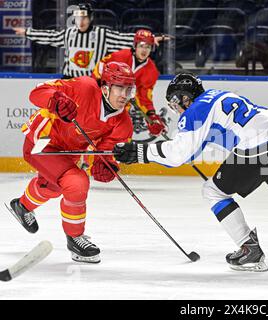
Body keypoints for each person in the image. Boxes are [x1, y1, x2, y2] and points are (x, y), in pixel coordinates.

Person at [112, 73, 268, 272]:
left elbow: (179, 155)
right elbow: (200, 145)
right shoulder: (216, 96)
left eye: (175, 104)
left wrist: (138, 152)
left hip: (261, 151)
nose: (177, 110)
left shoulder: (195, 110)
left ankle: (249, 248)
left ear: (184, 98)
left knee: (213, 191)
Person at [6, 61, 136, 263]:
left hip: (69, 152)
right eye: (119, 87)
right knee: (76, 182)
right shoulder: (83, 87)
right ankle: (75, 238)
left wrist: (106, 164)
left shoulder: (123, 122)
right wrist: (54, 101)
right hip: (43, 140)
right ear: (105, 88)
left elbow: (104, 152)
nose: (124, 95)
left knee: (55, 186)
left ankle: (22, 206)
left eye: (129, 89)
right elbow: (37, 92)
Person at [13, 3, 166, 78]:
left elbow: (123, 38)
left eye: (84, 17)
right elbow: (50, 36)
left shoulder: (101, 34)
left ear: (91, 18)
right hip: (70, 80)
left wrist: (150, 38)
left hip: (92, 81)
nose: (81, 21)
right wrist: (27, 32)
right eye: (78, 17)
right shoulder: (69, 33)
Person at [92, 29, 167, 137]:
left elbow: (144, 97)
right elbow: (100, 67)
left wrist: (152, 116)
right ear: (135, 46)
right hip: (101, 101)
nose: (144, 50)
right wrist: (98, 87)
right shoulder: (121, 56)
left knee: (118, 138)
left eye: (148, 47)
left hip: (121, 107)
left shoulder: (152, 71)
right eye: (141, 45)